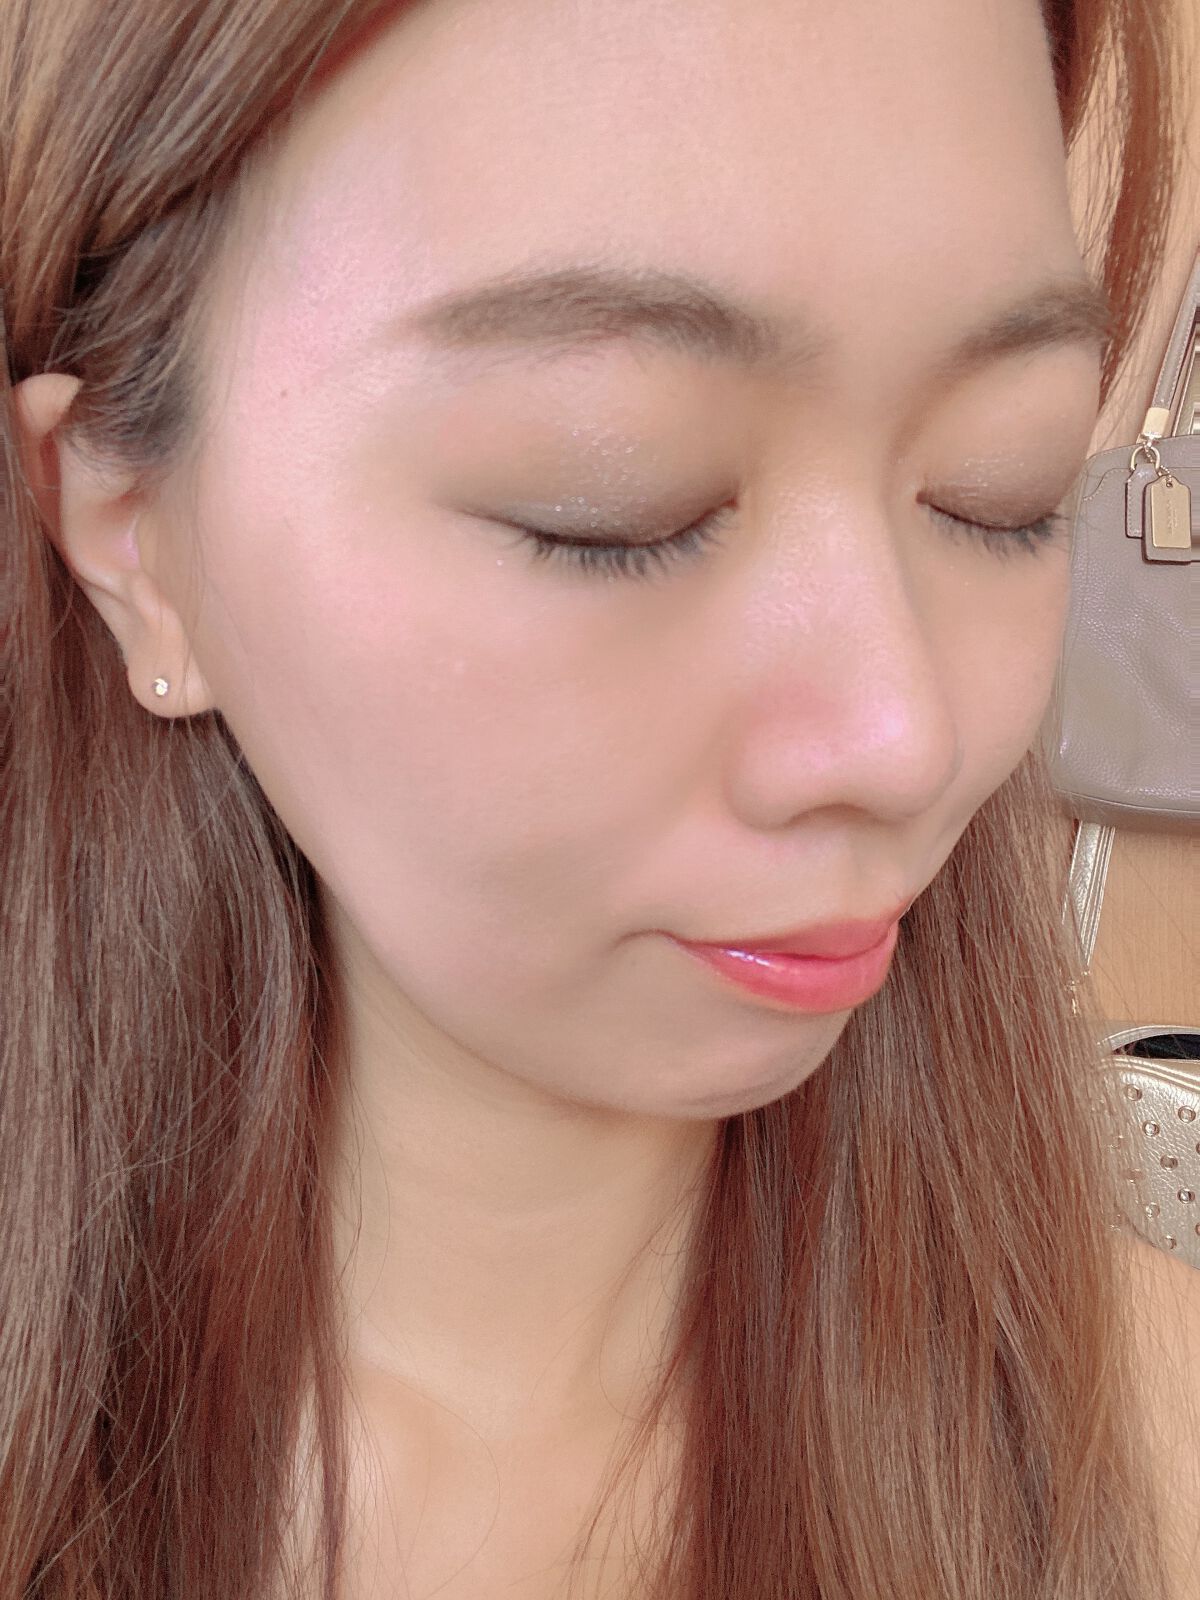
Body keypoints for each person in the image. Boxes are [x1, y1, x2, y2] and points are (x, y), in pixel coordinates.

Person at [1, 1, 1195, 1597]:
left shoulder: (1155, 1450)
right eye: (614, 505)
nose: (903, 738)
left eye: (1003, 489)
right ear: (132, 534)